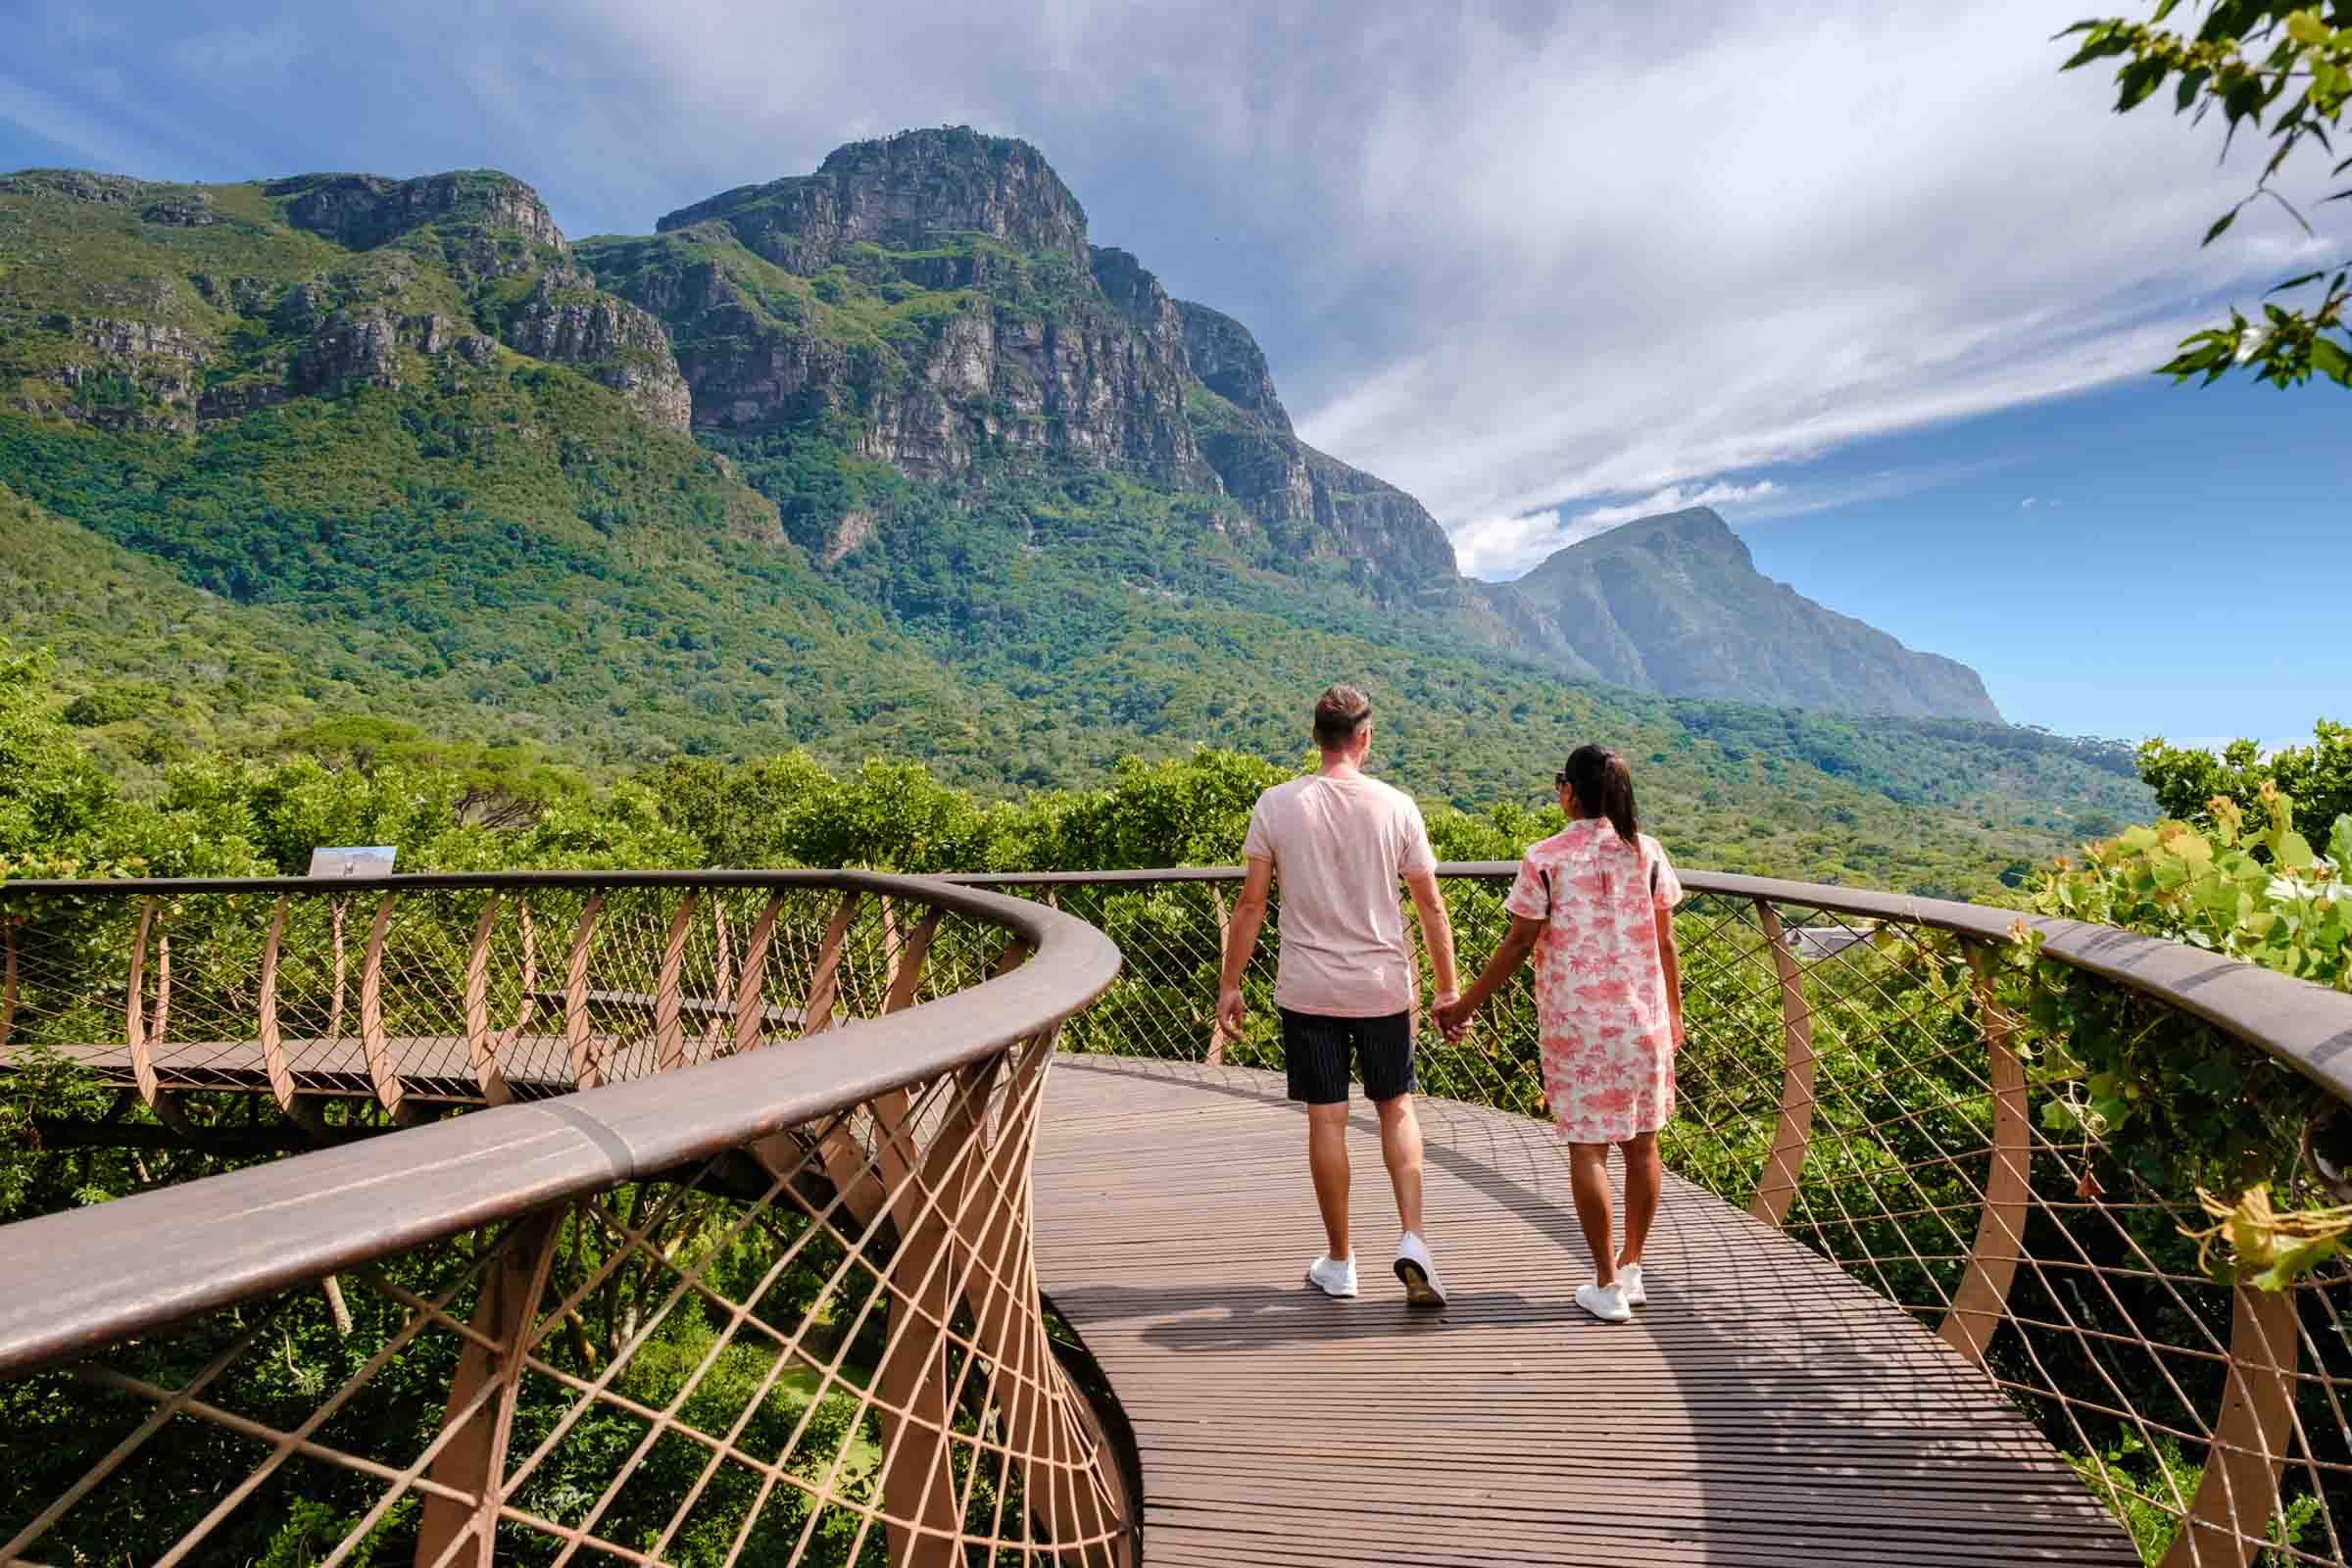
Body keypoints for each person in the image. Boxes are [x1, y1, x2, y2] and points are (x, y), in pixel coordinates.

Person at [1216, 684, 1462, 1306]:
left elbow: (1250, 904)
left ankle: (1341, 1259)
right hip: (1381, 987)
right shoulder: (1396, 806)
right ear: (1365, 737)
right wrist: (1448, 988)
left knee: (1326, 1118)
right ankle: (1414, 1238)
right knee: (1396, 1108)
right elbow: (1430, 905)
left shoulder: (1276, 804)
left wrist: (1230, 983)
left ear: (1316, 737)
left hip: (1308, 989)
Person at [1435, 745, 1684, 1324]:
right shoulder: (1646, 854)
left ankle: (1604, 1284)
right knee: (1644, 1144)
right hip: (1642, 1022)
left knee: (1589, 1148)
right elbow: (1666, 942)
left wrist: (1464, 1003)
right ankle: (1633, 1267)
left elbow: (1519, 944)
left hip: (1579, 1028)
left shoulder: (1545, 858)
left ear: (1569, 791)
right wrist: (1674, 1013)